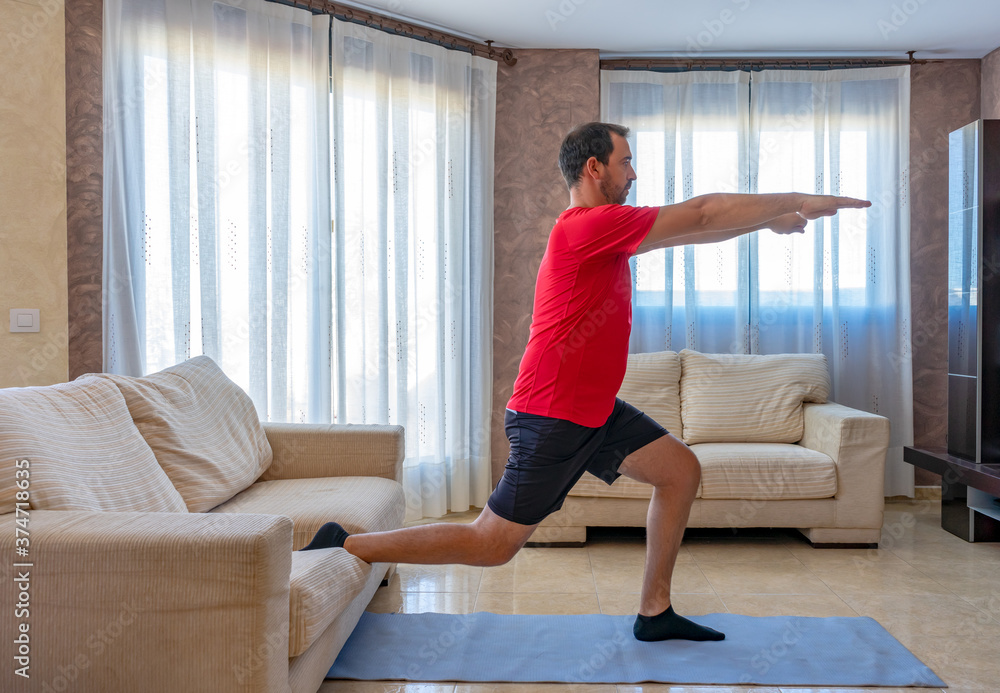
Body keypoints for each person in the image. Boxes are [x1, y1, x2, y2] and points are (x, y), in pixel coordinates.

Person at [303, 121, 871, 642]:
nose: (634, 173)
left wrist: (764, 220)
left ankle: (654, 611)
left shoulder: (608, 232)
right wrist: (796, 200)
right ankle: (346, 543)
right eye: (626, 161)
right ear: (594, 167)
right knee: (491, 544)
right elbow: (700, 214)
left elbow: (692, 233)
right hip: (552, 416)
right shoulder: (587, 227)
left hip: (593, 411)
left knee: (679, 472)